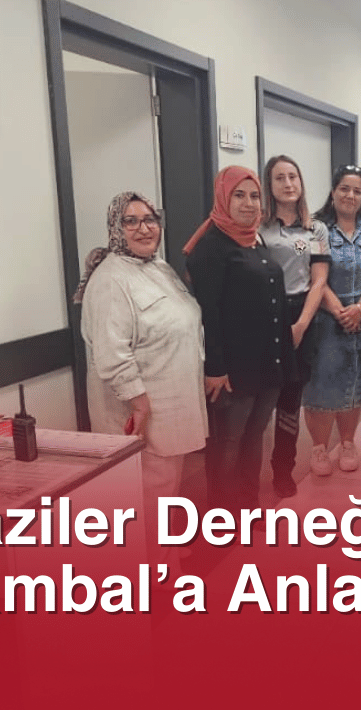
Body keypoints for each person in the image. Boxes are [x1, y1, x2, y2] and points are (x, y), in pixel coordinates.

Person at [77, 190, 207, 576]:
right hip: (143, 408)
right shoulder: (111, 279)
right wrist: (139, 402)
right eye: (131, 221)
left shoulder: (158, 267)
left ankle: (165, 555)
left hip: (173, 399)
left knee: (166, 488)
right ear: (116, 229)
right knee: (148, 493)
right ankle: (152, 572)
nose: (144, 228)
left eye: (150, 219)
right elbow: (111, 353)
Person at [184, 166, 294, 512]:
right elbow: (208, 313)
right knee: (228, 444)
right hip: (233, 370)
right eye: (239, 195)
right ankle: (222, 516)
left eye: (254, 196)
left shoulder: (254, 238)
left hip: (267, 363)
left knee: (254, 437)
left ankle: (249, 506)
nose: (248, 204)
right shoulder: (211, 248)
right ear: (223, 198)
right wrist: (215, 368)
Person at [303, 165, 361, 474]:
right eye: (345, 189)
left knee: (356, 382)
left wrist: (360, 309)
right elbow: (313, 276)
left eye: (357, 191)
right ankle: (319, 448)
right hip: (324, 317)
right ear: (333, 191)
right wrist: (340, 311)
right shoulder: (315, 229)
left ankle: (348, 442)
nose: (351, 195)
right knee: (322, 384)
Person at [258, 155, 330, 498]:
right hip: (263, 316)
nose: (288, 184)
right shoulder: (257, 227)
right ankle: (246, 472)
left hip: (302, 313)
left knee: (290, 399)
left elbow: (319, 280)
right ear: (269, 185)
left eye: (293, 177)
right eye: (279, 178)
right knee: (259, 400)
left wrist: (301, 325)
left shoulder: (315, 229)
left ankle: (282, 469)